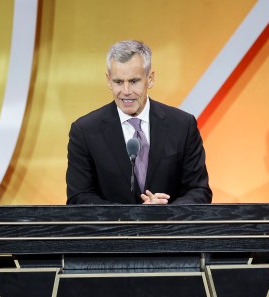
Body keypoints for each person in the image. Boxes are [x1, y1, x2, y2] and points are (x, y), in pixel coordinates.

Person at [66, 40, 212, 205]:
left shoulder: (182, 125)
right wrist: (130, 217)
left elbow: (199, 191)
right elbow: (79, 197)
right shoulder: (85, 131)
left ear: (150, 79)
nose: (126, 92)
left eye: (134, 81)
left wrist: (167, 212)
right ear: (108, 80)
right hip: (112, 230)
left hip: (168, 229)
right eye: (118, 82)